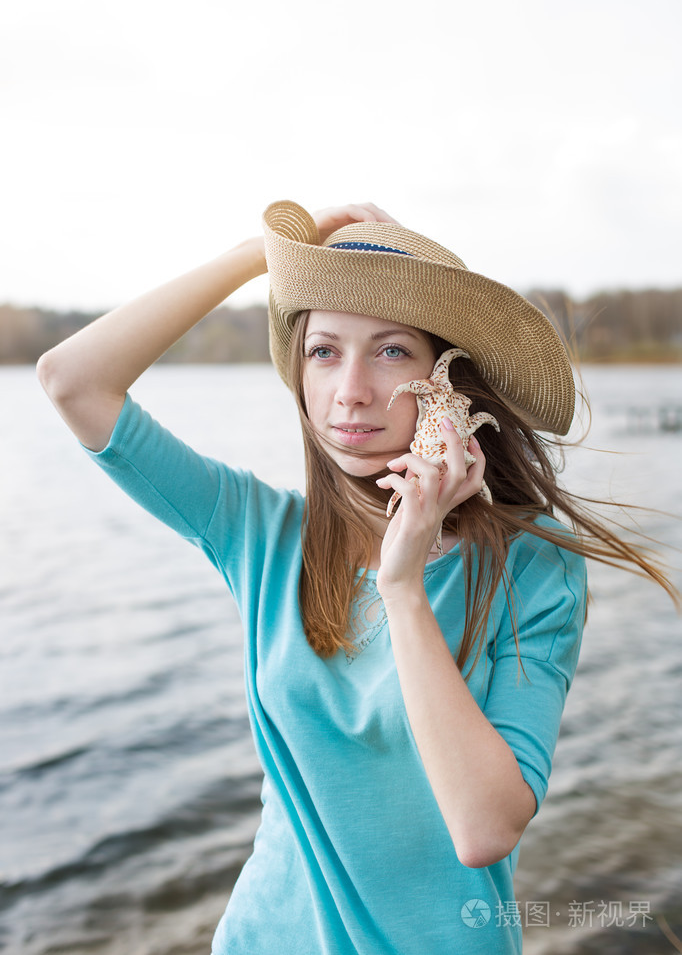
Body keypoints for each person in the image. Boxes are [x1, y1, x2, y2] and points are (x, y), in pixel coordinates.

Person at [37, 200, 677, 955]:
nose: (350, 389)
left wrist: (403, 585)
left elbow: (483, 827)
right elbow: (70, 379)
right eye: (324, 351)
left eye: (392, 351)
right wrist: (266, 254)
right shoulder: (260, 532)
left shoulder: (533, 562)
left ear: (449, 382)